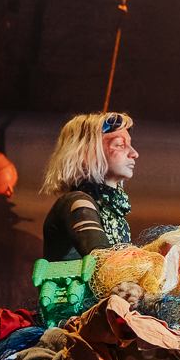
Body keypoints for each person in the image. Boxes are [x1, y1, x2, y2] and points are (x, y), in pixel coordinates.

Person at [40, 111, 139, 261]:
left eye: (130, 145)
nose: (134, 153)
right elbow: (104, 260)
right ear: (86, 154)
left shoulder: (112, 213)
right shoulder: (78, 202)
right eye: (120, 145)